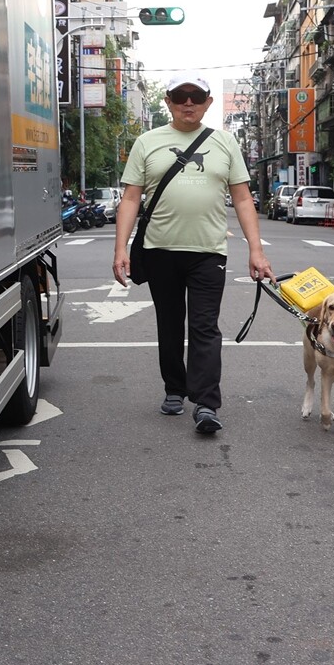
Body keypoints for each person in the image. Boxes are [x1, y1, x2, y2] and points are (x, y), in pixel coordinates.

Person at [112, 73, 274, 434]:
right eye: (180, 96)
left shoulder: (225, 143)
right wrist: (120, 248)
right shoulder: (147, 142)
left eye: (196, 96)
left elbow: (243, 198)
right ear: (168, 101)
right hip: (159, 250)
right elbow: (131, 198)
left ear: (208, 102)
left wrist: (256, 251)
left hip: (208, 251)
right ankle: (174, 388)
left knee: (204, 327)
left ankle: (206, 403)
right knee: (169, 325)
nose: (189, 103)